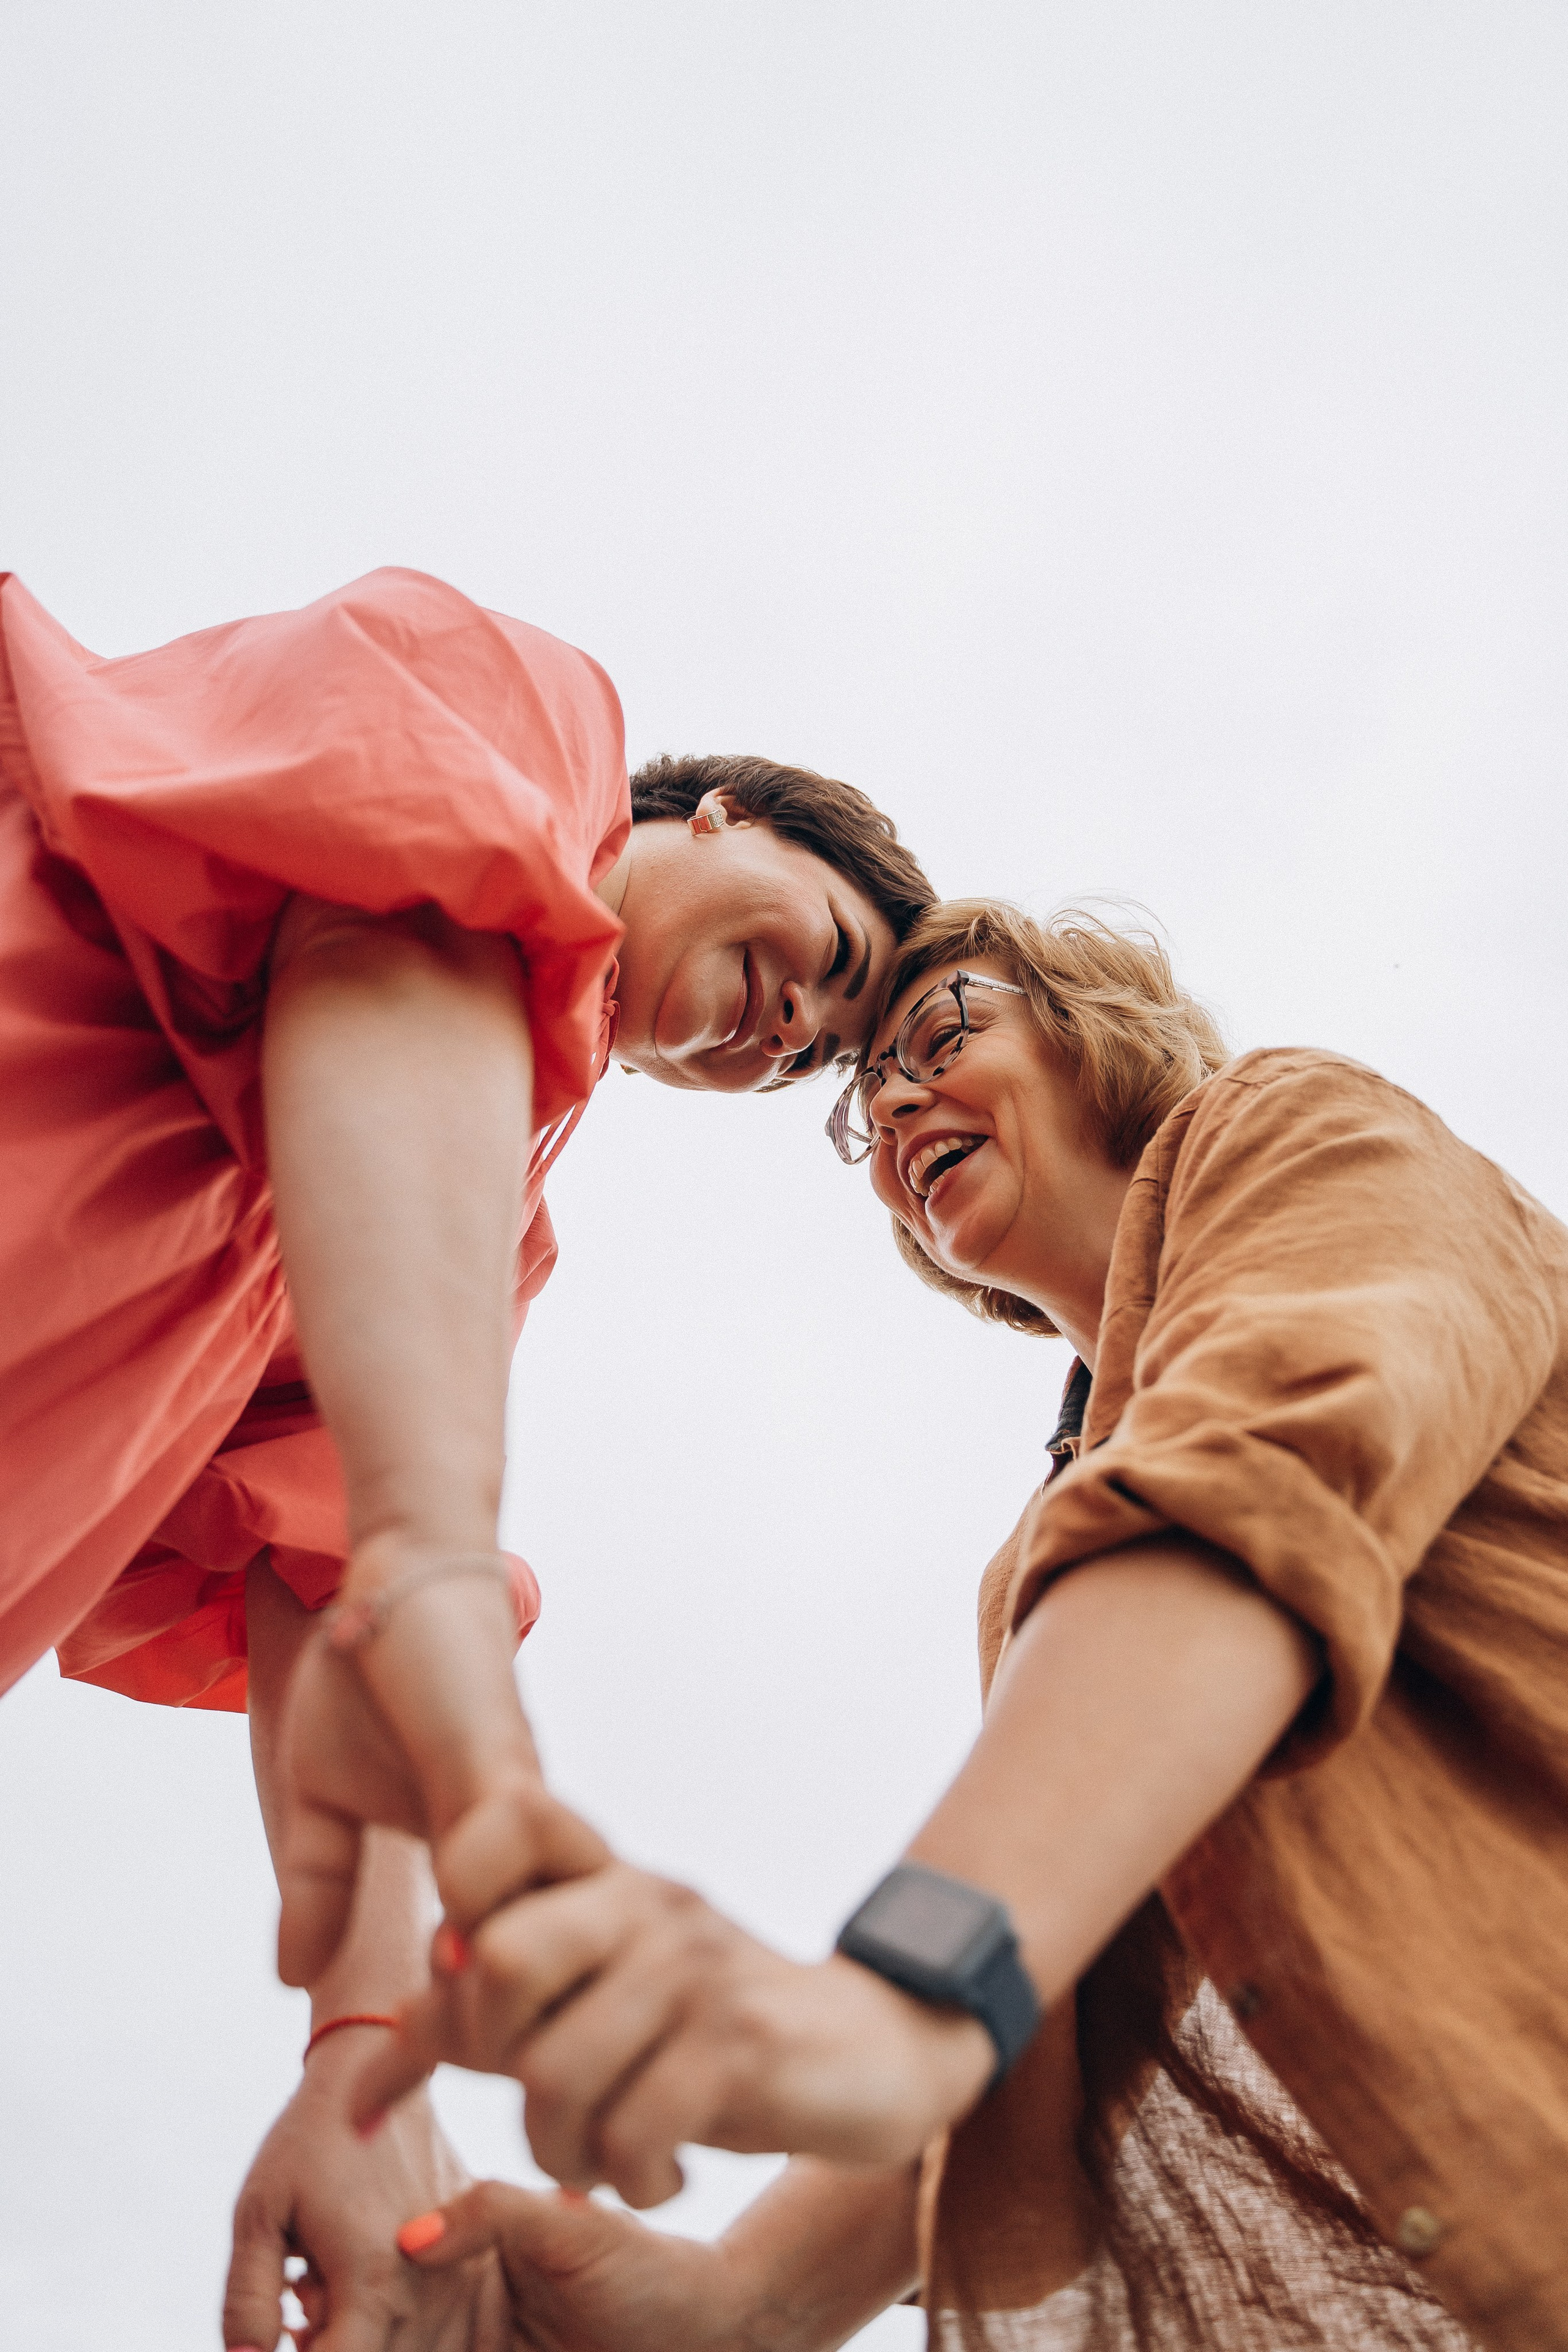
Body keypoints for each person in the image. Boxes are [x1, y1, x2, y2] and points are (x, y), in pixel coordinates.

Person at [364, 899, 1568, 2352]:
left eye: (941, 1037)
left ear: (1091, 1030)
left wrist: (893, 1999)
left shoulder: (1292, 1123)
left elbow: (1262, 1470)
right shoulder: (1044, 1569)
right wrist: (729, 2306)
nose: (893, 1110)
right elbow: (1041, 1978)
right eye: (866, 1104)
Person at [0, 562, 933, 2351]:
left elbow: (322, 1573)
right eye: (831, 956)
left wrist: (362, 2059)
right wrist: (433, 1560)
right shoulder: (520, 714)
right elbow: (398, 921)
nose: (796, 1031)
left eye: (812, 1057)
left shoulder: (469, 1234)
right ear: (720, 813)